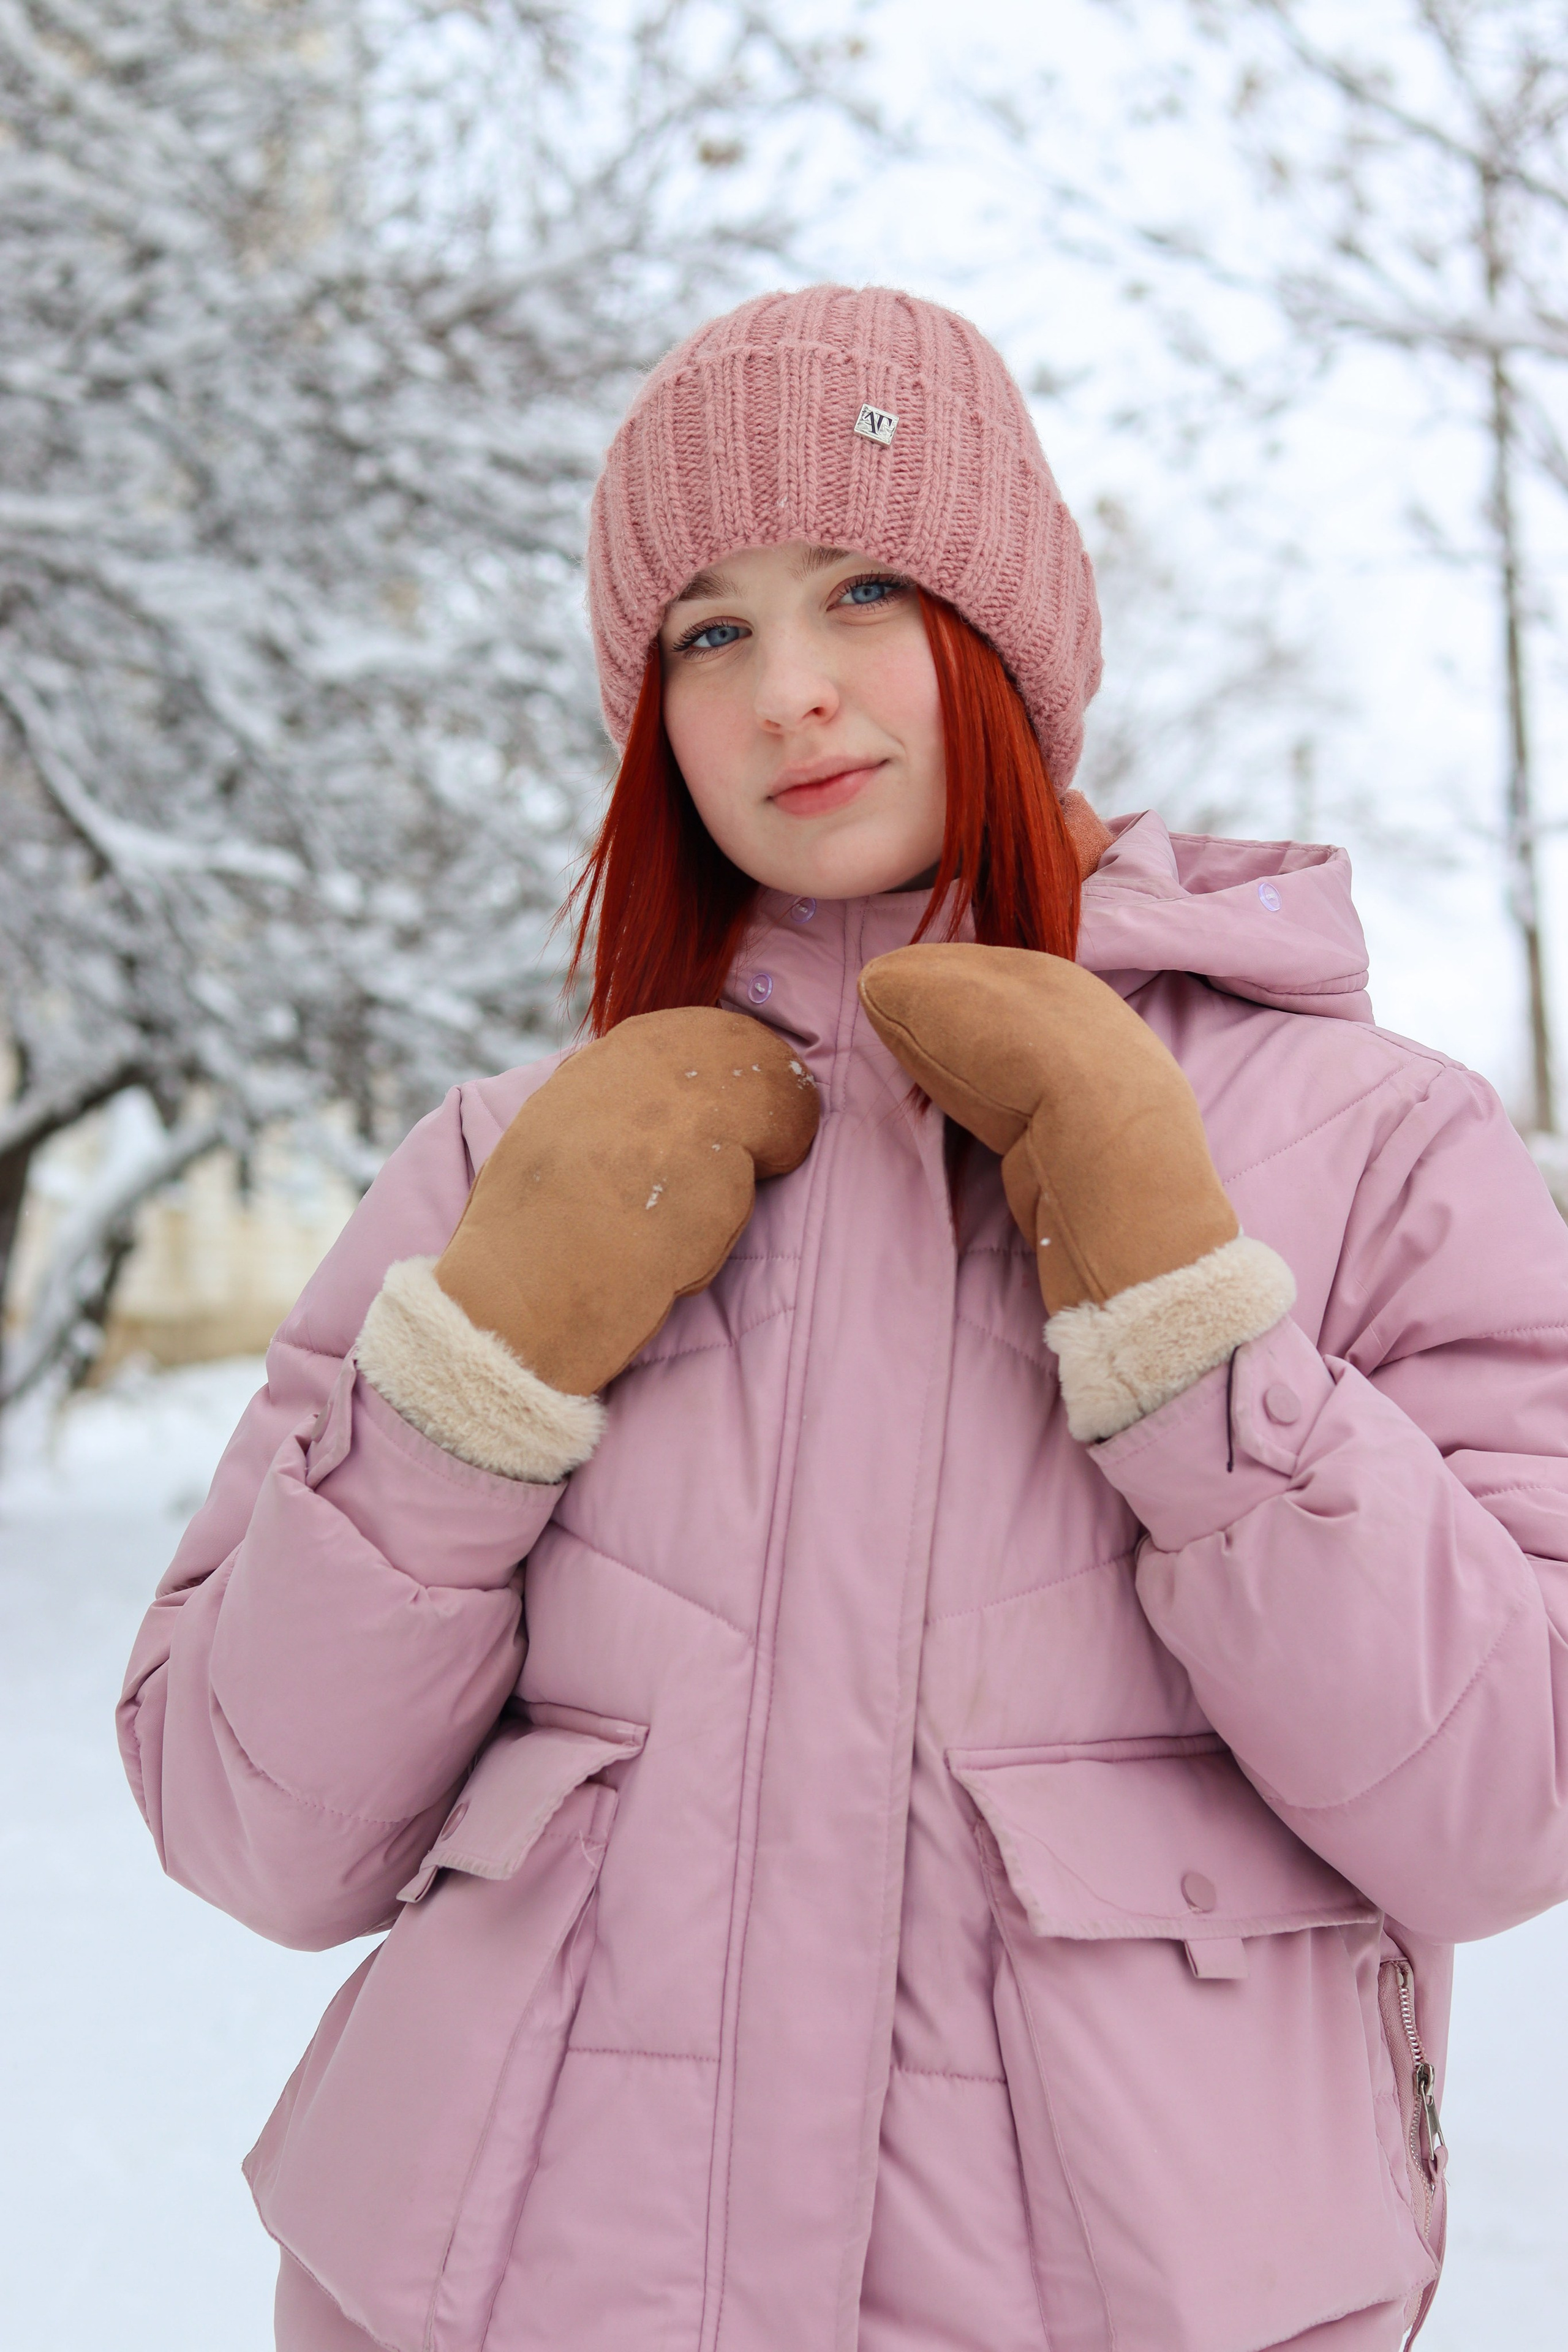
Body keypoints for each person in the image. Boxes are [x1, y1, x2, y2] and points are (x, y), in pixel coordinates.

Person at [118, 285, 1568, 2352]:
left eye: (864, 587)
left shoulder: (1369, 1142)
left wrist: (1193, 1342)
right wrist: (472, 1382)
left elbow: (1510, 1797)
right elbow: (249, 1829)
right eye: (706, 631)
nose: (787, 689)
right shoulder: (507, 1161)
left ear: (1009, 634)